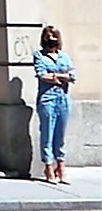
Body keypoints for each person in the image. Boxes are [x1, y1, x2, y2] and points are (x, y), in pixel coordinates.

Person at [33, 25, 76, 184]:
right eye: (47, 36)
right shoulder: (39, 55)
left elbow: (73, 75)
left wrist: (57, 76)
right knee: (48, 133)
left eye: (53, 36)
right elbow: (42, 74)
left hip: (63, 98)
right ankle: (49, 167)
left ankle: (61, 166)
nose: (51, 39)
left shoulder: (64, 56)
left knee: (61, 134)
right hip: (47, 98)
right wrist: (60, 77)